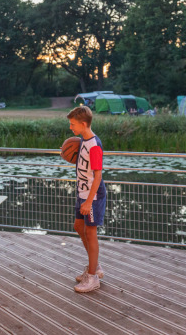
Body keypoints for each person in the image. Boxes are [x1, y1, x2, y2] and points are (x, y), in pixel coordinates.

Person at [67, 105, 107, 293]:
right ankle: (95, 266)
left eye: (73, 124)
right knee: (78, 226)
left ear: (83, 124)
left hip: (93, 196)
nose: (70, 128)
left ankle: (92, 278)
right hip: (81, 194)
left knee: (91, 233)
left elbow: (97, 176)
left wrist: (89, 201)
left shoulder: (94, 145)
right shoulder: (83, 140)